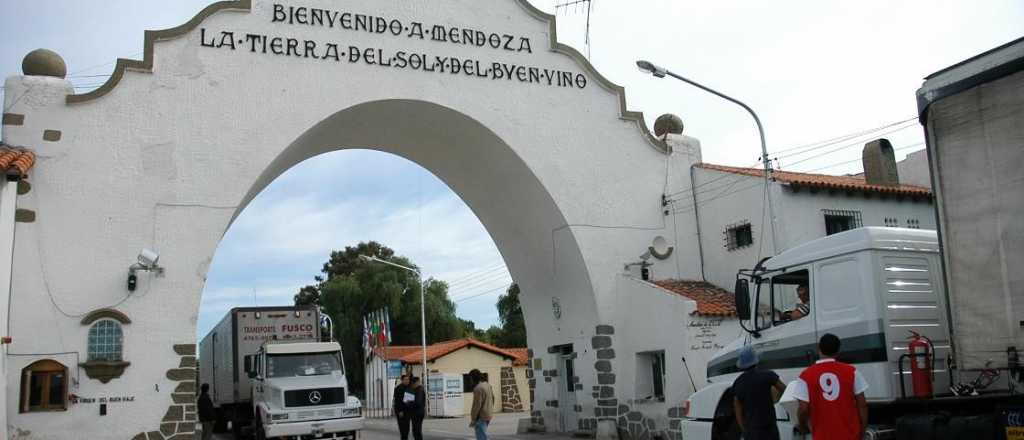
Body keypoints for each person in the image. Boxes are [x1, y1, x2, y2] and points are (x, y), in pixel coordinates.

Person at [792, 333, 869, 440]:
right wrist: (862, 431)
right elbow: (862, 405)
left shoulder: (806, 375)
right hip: (851, 435)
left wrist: (802, 425)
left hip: (823, 435)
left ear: (819, 348)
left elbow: (803, 408)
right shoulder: (852, 371)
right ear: (838, 351)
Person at [732, 346, 787, 440]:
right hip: (769, 429)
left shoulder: (738, 383)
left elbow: (738, 409)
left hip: (752, 432)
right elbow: (785, 389)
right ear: (756, 361)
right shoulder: (768, 375)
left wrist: (744, 430)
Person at [468, 369, 494, 440]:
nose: (470, 381)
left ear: (473, 378)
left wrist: (473, 419)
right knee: (483, 434)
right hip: (488, 414)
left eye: (470, 378)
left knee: (481, 437)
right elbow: (493, 398)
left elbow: (477, 405)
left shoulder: (478, 388)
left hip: (481, 416)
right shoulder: (487, 385)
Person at [393, 374, 411, 440]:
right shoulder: (398, 388)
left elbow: (409, 400)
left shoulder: (409, 387)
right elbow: (397, 401)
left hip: (407, 411)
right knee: (403, 429)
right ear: (402, 380)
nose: (407, 381)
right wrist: (400, 411)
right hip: (401, 411)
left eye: (408, 379)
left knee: (407, 428)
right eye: (405, 380)